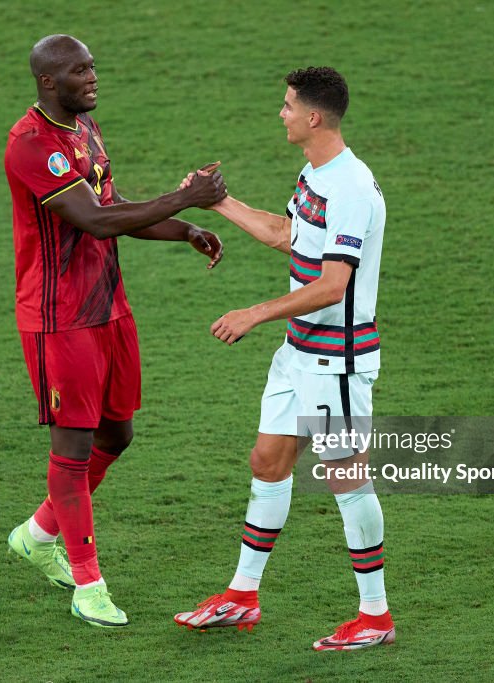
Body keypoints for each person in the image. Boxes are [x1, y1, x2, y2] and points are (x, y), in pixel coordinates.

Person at [3, 34, 227, 629]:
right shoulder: (32, 146)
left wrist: (182, 228)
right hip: (61, 319)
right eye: (80, 71)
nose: (93, 78)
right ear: (49, 81)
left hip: (109, 308)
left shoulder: (84, 129)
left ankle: (38, 533)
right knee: (72, 448)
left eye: (94, 67)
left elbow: (112, 201)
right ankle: (87, 582)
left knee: (118, 433)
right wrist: (186, 196)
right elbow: (97, 221)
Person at [173, 66, 394, 651]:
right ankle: (243, 596)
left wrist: (253, 312)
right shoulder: (316, 173)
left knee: (347, 480)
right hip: (300, 353)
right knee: (268, 461)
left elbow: (332, 286)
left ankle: (375, 614)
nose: (282, 113)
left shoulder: (349, 187)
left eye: (289, 105)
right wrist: (219, 202)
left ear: (314, 117)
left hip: (338, 362)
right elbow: (285, 234)